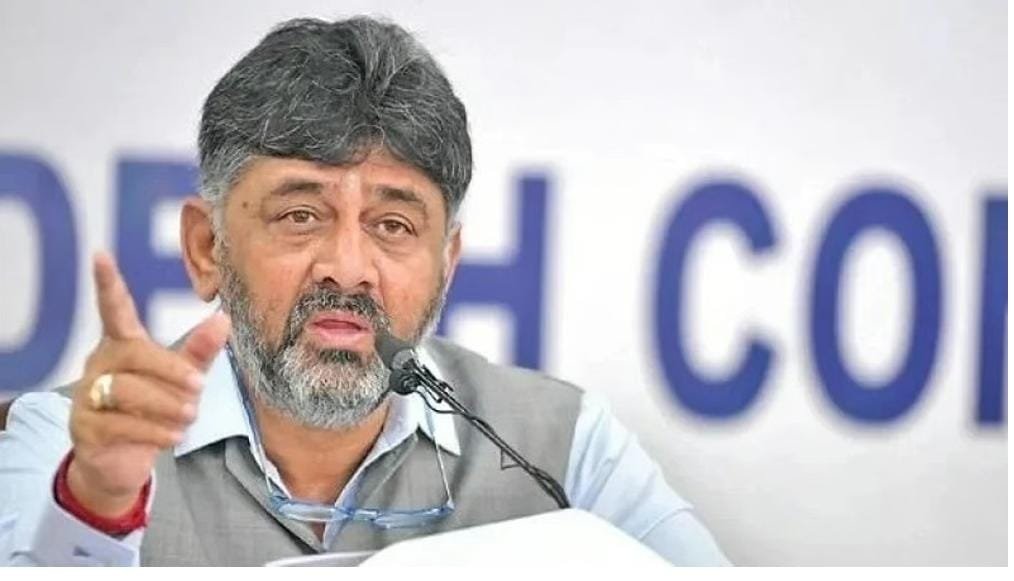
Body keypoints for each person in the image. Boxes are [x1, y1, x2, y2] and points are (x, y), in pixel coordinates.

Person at [0, 16, 729, 566]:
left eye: (393, 225)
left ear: (447, 263)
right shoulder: (69, 442)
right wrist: (98, 501)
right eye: (300, 215)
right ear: (206, 247)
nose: (348, 268)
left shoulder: (565, 448)